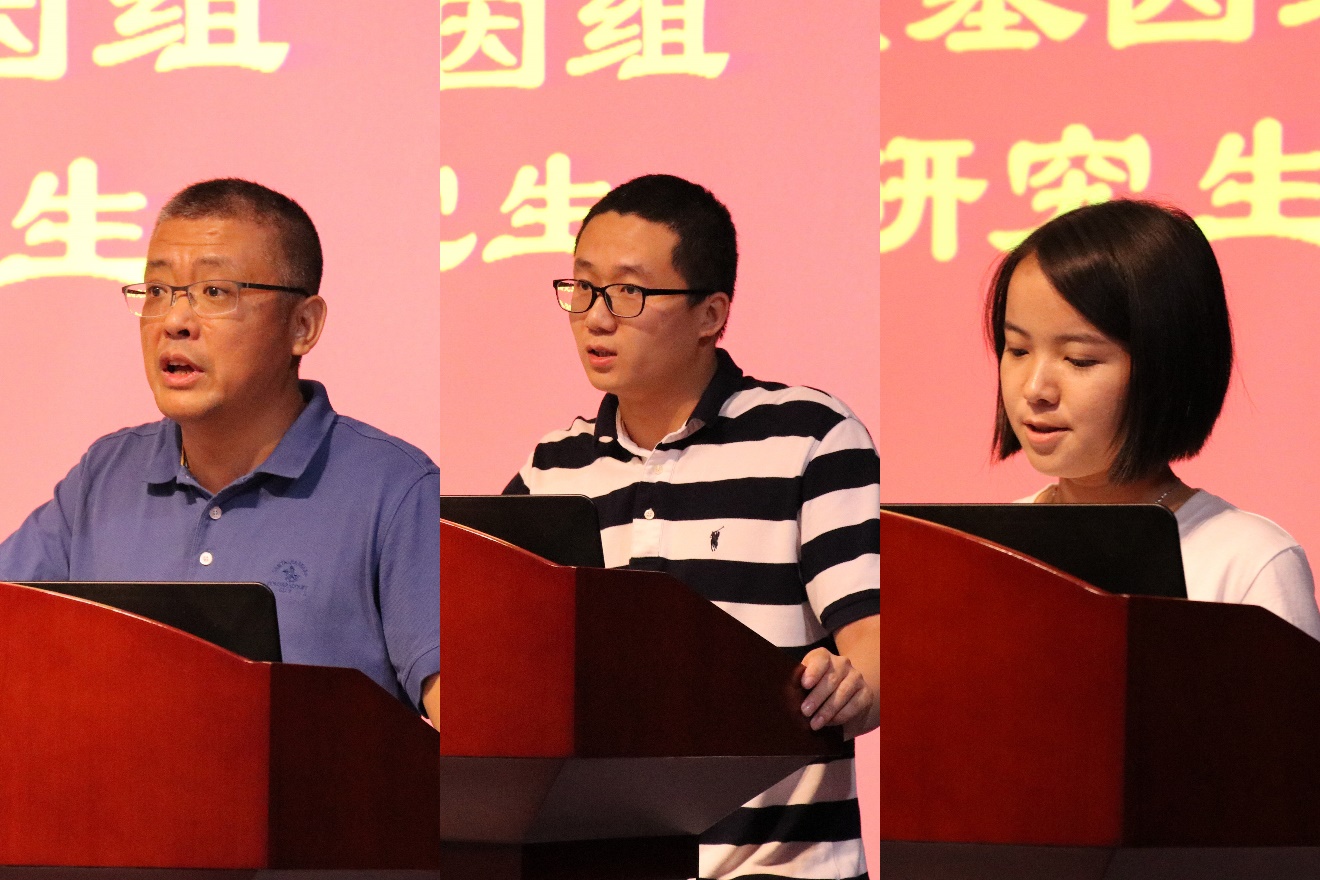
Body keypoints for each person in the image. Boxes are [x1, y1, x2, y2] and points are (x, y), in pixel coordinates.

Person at [506, 174, 878, 880]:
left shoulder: (810, 437)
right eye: (583, 287)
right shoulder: (552, 467)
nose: (596, 318)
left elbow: (877, 642)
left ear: (711, 314)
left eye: (629, 292)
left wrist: (853, 687)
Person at [0, 179, 439, 717]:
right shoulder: (105, 475)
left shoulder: (396, 491)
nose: (173, 322)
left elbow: (470, 730)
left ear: (302, 325)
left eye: (214, 292)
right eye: (156, 291)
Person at [987, 198, 1320, 640]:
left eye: (1080, 359)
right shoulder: (982, 549)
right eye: (1018, 350)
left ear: (1167, 369)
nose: (1034, 389)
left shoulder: (1248, 563)